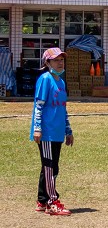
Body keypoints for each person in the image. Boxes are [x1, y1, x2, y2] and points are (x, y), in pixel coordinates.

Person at [32, 47, 74, 216]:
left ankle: (42, 200)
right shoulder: (45, 79)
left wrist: (68, 131)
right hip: (47, 132)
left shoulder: (61, 82)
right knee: (50, 167)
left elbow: (63, 109)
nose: (60, 63)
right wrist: (37, 128)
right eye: (56, 60)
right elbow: (39, 105)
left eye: (61, 60)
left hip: (57, 132)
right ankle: (52, 202)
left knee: (50, 167)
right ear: (47, 62)